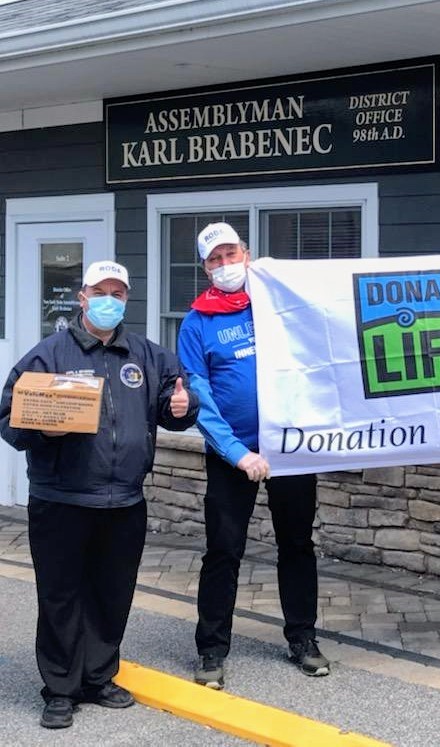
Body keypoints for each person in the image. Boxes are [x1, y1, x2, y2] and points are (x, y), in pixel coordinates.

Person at [0, 260, 199, 729]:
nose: (109, 299)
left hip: (125, 499)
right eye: (100, 291)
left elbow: (174, 408)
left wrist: (183, 407)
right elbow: (9, 421)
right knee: (61, 595)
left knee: (112, 593)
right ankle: (60, 688)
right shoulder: (46, 355)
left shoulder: (148, 356)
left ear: (125, 299)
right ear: (82, 297)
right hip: (61, 499)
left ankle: (98, 676)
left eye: (118, 292)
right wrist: (44, 427)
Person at [177, 222, 328, 690]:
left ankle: (303, 638)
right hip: (232, 457)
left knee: (297, 546)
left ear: (247, 254)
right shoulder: (196, 323)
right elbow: (198, 394)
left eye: (231, 254)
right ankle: (211, 650)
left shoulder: (277, 304)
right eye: (215, 260)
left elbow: (322, 352)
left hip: (289, 448)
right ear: (205, 267)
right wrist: (238, 453)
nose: (225, 266)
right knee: (223, 550)